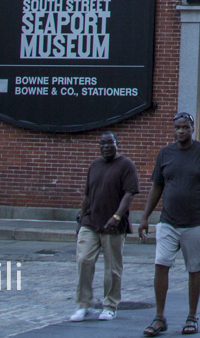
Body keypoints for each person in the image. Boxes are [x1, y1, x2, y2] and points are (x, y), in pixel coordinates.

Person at [137, 113, 200, 337]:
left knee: (194, 268)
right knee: (161, 264)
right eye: (177, 128)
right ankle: (159, 317)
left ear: (192, 128)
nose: (181, 131)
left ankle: (192, 316)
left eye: (185, 127)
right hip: (168, 221)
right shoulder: (165, 154)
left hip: (197, 221)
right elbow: (157, 187)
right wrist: (145, 217)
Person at [71, 131, 139, 322]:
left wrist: (117, 216)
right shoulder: (94, 166)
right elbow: (87, 195)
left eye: (109, 143)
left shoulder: (126, 165)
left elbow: (129, 194)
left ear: (117, 144)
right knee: (84, 259)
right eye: (102, 144)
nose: (105, 147)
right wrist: (80, 220)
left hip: (113, 225)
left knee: (112, 267)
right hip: (90, 222)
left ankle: (110, 305)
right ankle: (83, 304)